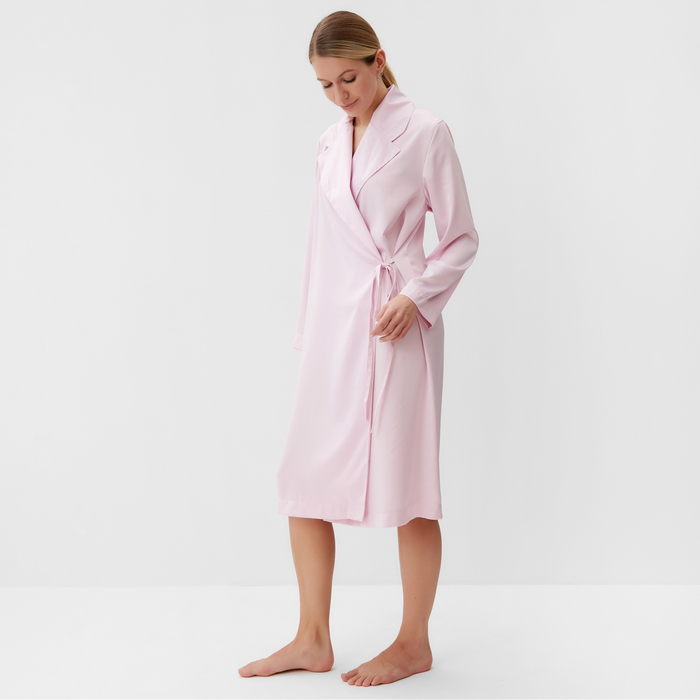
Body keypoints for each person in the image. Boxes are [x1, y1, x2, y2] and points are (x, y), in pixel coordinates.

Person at [239, 10, 479, 687]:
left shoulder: (426, 132)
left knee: (410, 485)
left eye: (348, 78)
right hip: (334, 326)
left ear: (378, 59)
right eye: (324, 85)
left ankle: (413, 643)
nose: (339, 95)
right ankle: (312, 638)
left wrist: (417, 297)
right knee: (303, 477)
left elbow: (461, 236)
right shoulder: (327, 144)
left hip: (398, 321)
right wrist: (308, 332)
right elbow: (321, 244)